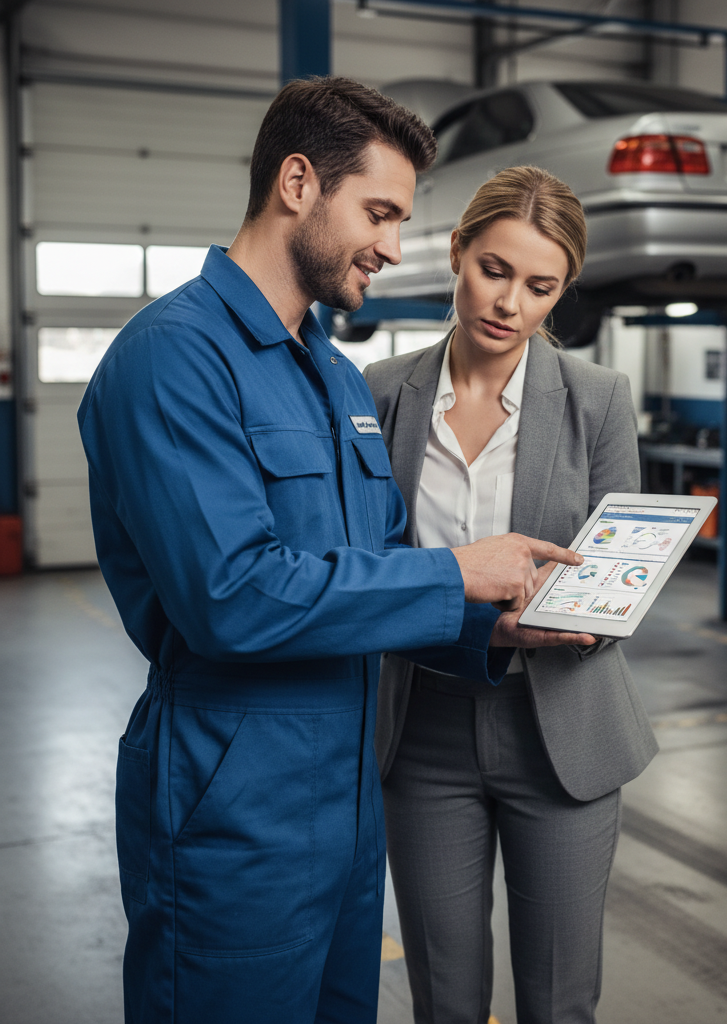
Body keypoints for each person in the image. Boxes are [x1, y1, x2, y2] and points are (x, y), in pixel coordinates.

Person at [77, 80, 591, 1024]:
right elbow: (232, 596)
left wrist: (498, 631)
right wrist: (456, 572)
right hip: (234, 815)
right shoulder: (173, 358)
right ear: (299, 182)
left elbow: (382, 581)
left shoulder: (335, 375)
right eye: (380, 213)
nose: (394, 246)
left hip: (349, 818)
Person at [364, 166, 659, 1024]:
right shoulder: (380, 394)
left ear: (562, 291)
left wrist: (579, 619)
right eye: (494, 271)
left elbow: (616, 580)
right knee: (445, 1001)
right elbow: (370, 569)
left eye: (540, 287)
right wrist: (485, 628)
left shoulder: (599, 401)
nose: (510, 305)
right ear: (457, 253)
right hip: (420, 731)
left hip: (561, 729)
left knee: (560, 1001)